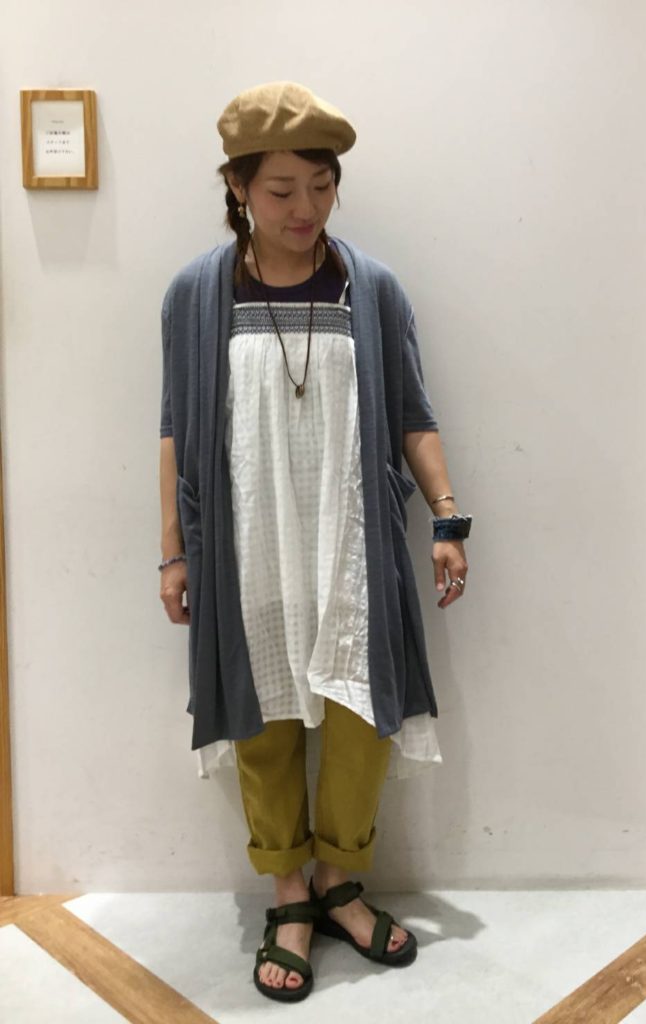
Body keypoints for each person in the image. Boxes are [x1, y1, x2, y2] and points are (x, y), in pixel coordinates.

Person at [158, 81, 471, 1004]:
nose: (306, 208)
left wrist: (447, 517)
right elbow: (175, 429)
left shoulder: (369, 289)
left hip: (350, 543)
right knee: (260, 721)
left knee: (360, 717)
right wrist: (174, 552)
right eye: (282, 189)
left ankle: (339, 880)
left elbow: (412, 413)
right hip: (246, 543)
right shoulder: (196, 295)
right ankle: (288, 893)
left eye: (322, 186)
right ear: (238, 187)